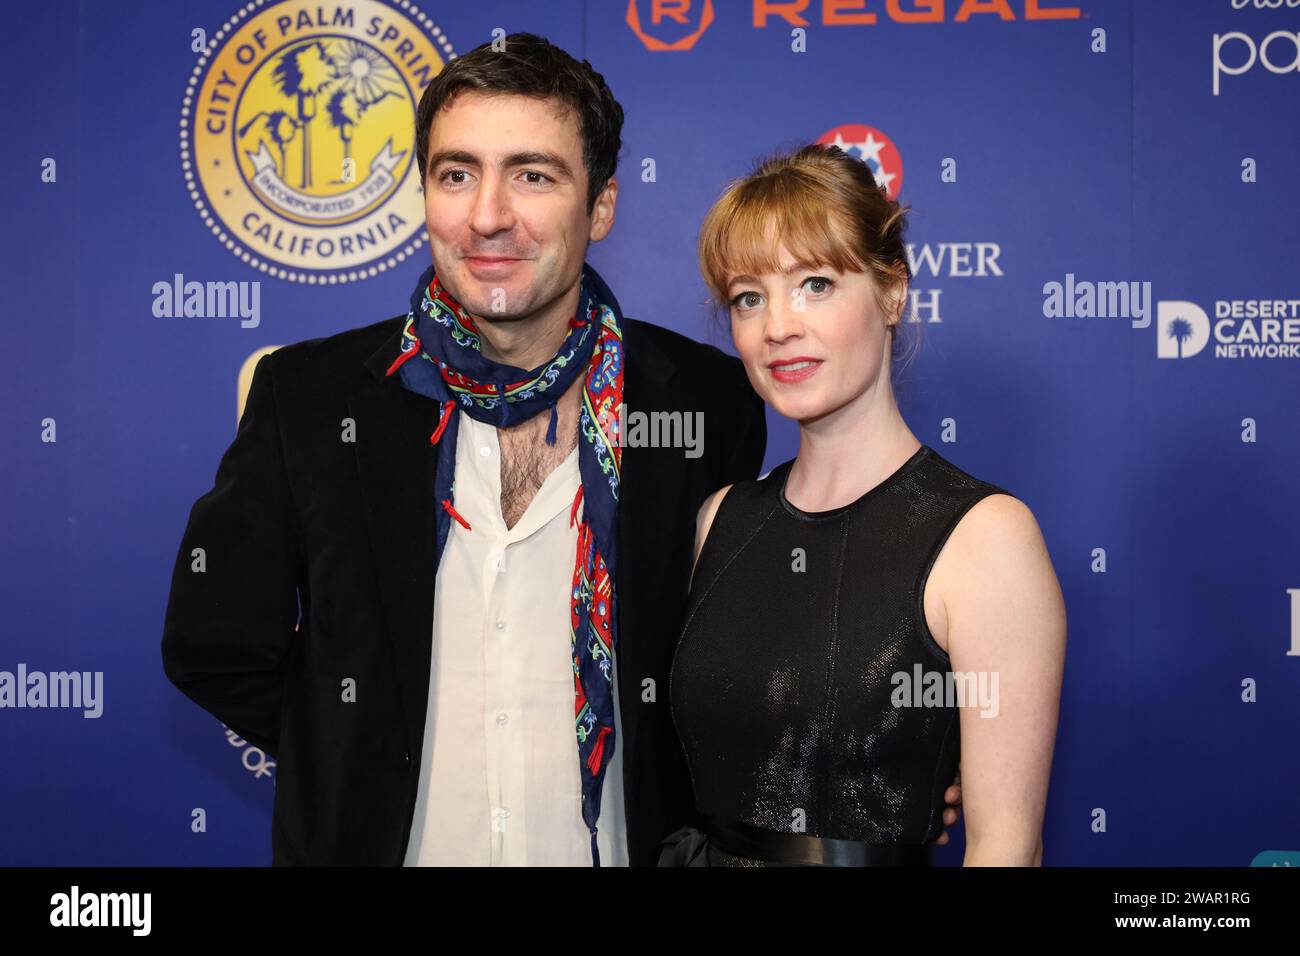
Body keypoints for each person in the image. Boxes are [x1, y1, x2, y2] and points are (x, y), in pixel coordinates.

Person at [161, 34, 962, 866]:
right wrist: (348, 752)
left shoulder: (703, 399)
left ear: (602, 206)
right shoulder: (312, 395)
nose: (488, 215)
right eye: (457, 173)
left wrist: (868, 764)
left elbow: (749, 651)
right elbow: (212, 645)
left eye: (533, 175)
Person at [659, 144, 1066, 867]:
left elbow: (1007, 849)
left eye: (814, 284)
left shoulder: (984, 538)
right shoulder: (718, 519)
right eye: (749, 297)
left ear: (892, 291)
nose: (777, 326)